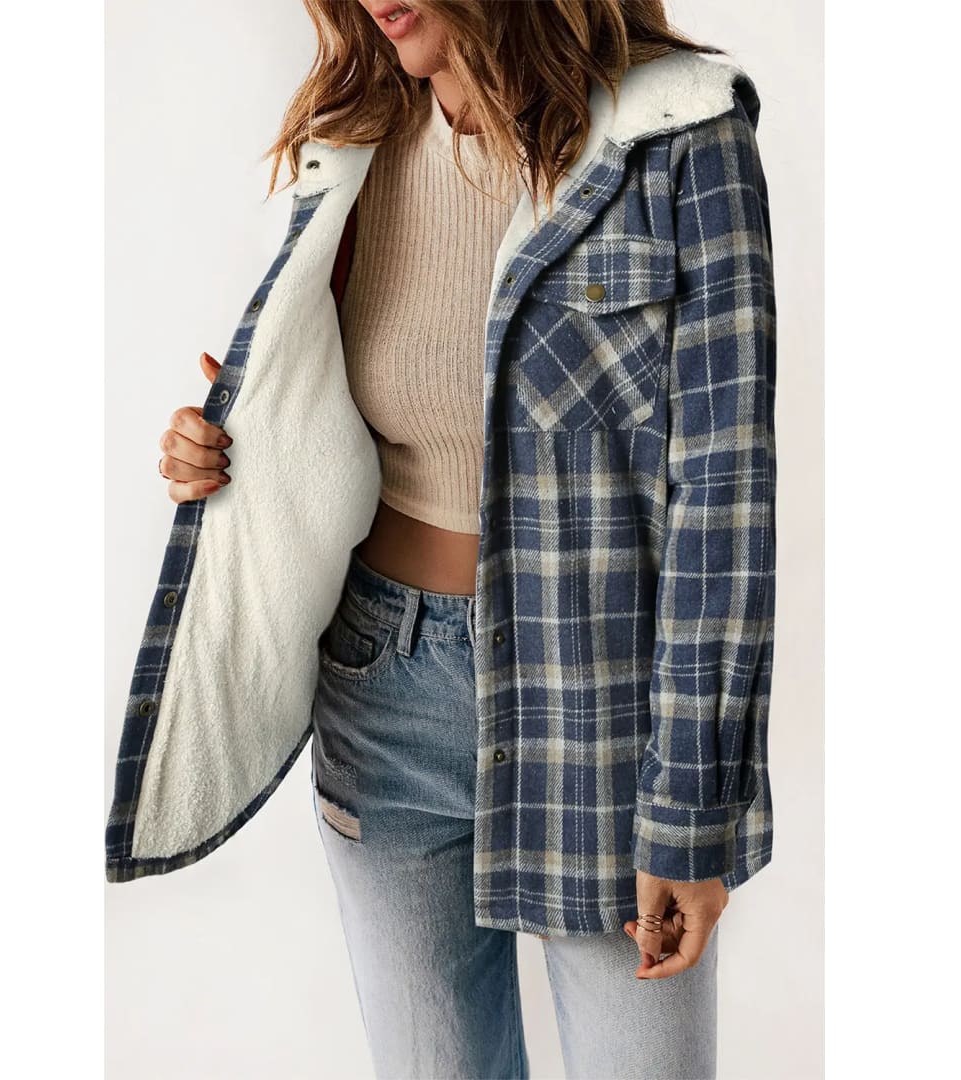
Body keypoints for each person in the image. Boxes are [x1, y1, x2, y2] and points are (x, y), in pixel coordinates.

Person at [148, 1, 777, 1076]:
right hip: (379, 690)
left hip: (603, 715)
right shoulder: (350, 148)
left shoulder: (678, 137)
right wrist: (225, 453)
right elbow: (330, 428)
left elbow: (725, 497)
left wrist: (692, 809)